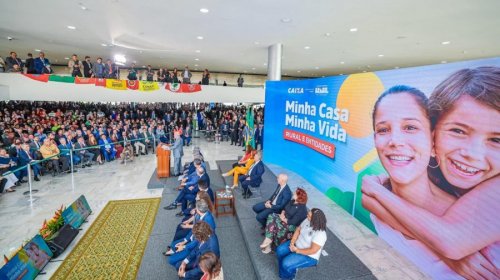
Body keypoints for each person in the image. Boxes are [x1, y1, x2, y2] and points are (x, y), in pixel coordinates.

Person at [362, 70, 500, 279]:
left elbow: (451, 243)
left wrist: (373, 191)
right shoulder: (429, 183)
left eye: (496, 140)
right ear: (433, 136)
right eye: (458, 131)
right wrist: (372, 195)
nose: (472, 154)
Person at [276, 208, 327, 280]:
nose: (307, 216)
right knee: (279, 250)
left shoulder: (320, 234)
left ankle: (289, 277)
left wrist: (297, 250)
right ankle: (285, 273)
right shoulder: (307, 220)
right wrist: (292, 242)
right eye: (308, 214)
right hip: (296, 245)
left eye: (309, 216)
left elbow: (313, 250)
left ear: (315, 220)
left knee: (286, 263)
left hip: (309, 256)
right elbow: (298, 229)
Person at [260, 188, 308, 254]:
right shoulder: (292, 201)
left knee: (276, 224)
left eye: (295, 193)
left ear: (299, 197)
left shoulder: (302, 209)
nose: (293, 193)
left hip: (291, 226)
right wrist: (282, 214)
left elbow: (293, 222)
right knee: (271, 216)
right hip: (284, 217)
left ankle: (268, 241)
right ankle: (268, 239)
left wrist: (283, 219)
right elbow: (284, 208)